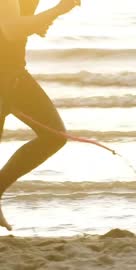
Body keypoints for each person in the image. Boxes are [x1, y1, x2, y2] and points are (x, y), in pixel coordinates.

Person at [0, 0, 81, 231]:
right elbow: (11, 28)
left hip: (14, 72)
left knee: (54, 135)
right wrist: (58, 9)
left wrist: (36, 23)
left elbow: (11, 27)